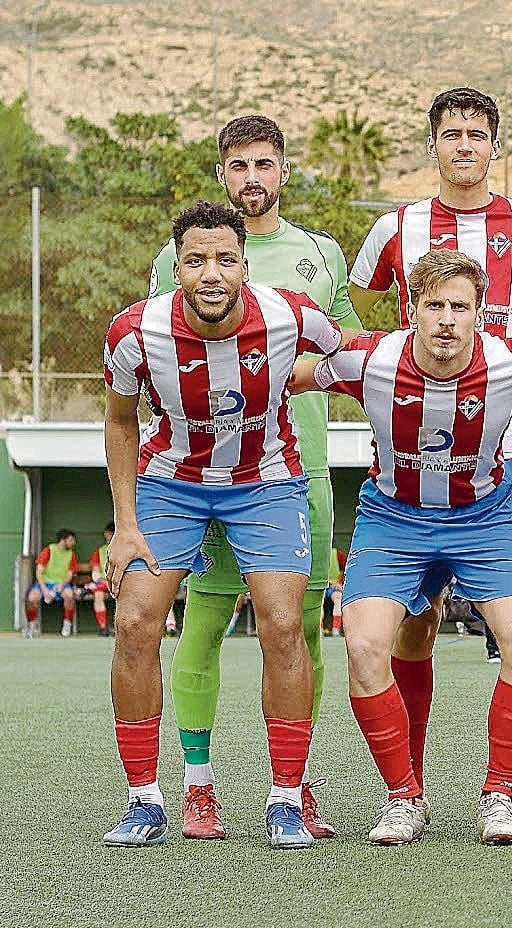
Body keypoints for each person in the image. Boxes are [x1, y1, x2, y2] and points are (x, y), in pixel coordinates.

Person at [101, 200, 343, 848]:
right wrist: (125, 524)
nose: (212, 273)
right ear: (175, 267)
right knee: (134, 621)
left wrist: (299, 379)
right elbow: (122, 421)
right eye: (196, 260)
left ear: (245, 264)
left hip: (265, 482)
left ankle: (286, 799)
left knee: (286, 624)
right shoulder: (134, 332)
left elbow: (355, 356)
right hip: (170, 484)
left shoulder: (290, 316)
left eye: (225, 259)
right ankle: (145, 800)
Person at [292, 248, 512, 847]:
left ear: (480, 313)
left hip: (482, 517)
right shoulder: (371, 359)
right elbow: (286, 375)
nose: (446, 319)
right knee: (363, 647)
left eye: (459, 306)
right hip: (394, 519)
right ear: (412, 309)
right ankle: (403, 797)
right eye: (433, 305)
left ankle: (498, 796)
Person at [148, 115, 361, 841]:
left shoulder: (320, 253)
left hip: (299, 471)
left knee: (300, 628)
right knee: (203, 619)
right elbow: (154, 358)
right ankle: (197, 786)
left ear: (283, 170)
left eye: (263, 164)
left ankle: (294, 787)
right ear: (220, 175)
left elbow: (348, 352)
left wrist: (288, 374)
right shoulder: (177, 257)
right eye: (237, 166)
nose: (251, 179)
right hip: (205, 472)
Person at [349, 88, 512, 810]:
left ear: (495, 145)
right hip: (409, 464)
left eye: (477, 134)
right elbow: (358, 319)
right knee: (412, 627)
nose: (464, 145)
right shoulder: (394, 227)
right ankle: (408, 788)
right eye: (451, 134)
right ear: (431, 144)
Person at [27, 529, 79, 638]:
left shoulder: (71, 554)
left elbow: (70, 574)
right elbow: (39, 572)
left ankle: (67, 624)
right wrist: (45, 590)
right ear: (63, 540)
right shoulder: (48, 550)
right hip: (44, 584)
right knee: (32, 598)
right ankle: (32, 624)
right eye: (71, 540)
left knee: (69, 596)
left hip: (62, 585)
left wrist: (62, 584)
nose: (73, 543)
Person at [88, 523, 115, 636]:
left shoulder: (125, 549)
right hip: (104, 583)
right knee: (98, 595)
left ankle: (120, 628)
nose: (110, 536)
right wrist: (104, 580)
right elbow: (95, 574)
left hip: (121, 584)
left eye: (112, 533)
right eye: (108, 533)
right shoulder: (99, 551)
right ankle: (103, 628)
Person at [324, 547, 347, 637]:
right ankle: (320, 629)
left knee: (338, 598)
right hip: (322, 585)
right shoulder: (314, 554)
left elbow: (346, 569)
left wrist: (340, 583)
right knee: (319, 601)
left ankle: (336, 629)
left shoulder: (337, 553)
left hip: (335, 586)